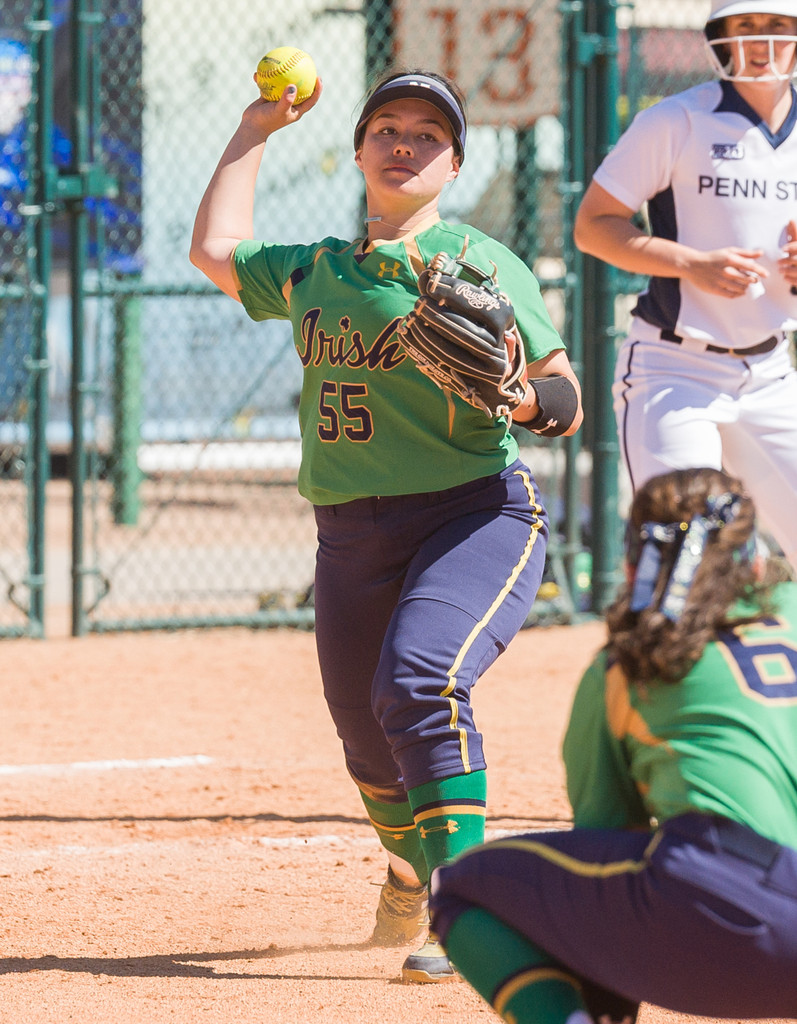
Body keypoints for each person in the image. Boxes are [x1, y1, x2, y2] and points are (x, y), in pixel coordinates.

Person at [189, 68, 583, 983]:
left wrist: (521, 396)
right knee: (364, 737)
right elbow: (216, 249)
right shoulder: (318, 267)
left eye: (427, 135)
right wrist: (254, 128)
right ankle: (410, 872)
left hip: (474, 513)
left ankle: (474, 915)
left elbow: (565, 396)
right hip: (349, 535)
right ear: (361, 149)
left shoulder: (479, 264)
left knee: (419, 681)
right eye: (387, 129)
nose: (404, 144)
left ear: (453, 163)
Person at [429, 466, 797, 1024]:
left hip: (744, 916)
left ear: (634, 562)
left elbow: (605, 838)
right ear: (753, 560)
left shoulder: (629, 666)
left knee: (460, 887)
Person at [573, 0, 797, 573]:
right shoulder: (676, 120)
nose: (764, 42)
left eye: (778, 25)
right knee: (686, 555)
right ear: (719, 39)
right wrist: (691, 264)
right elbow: (594, 227)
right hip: (675, 369)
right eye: (746, 26)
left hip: (772, 374)